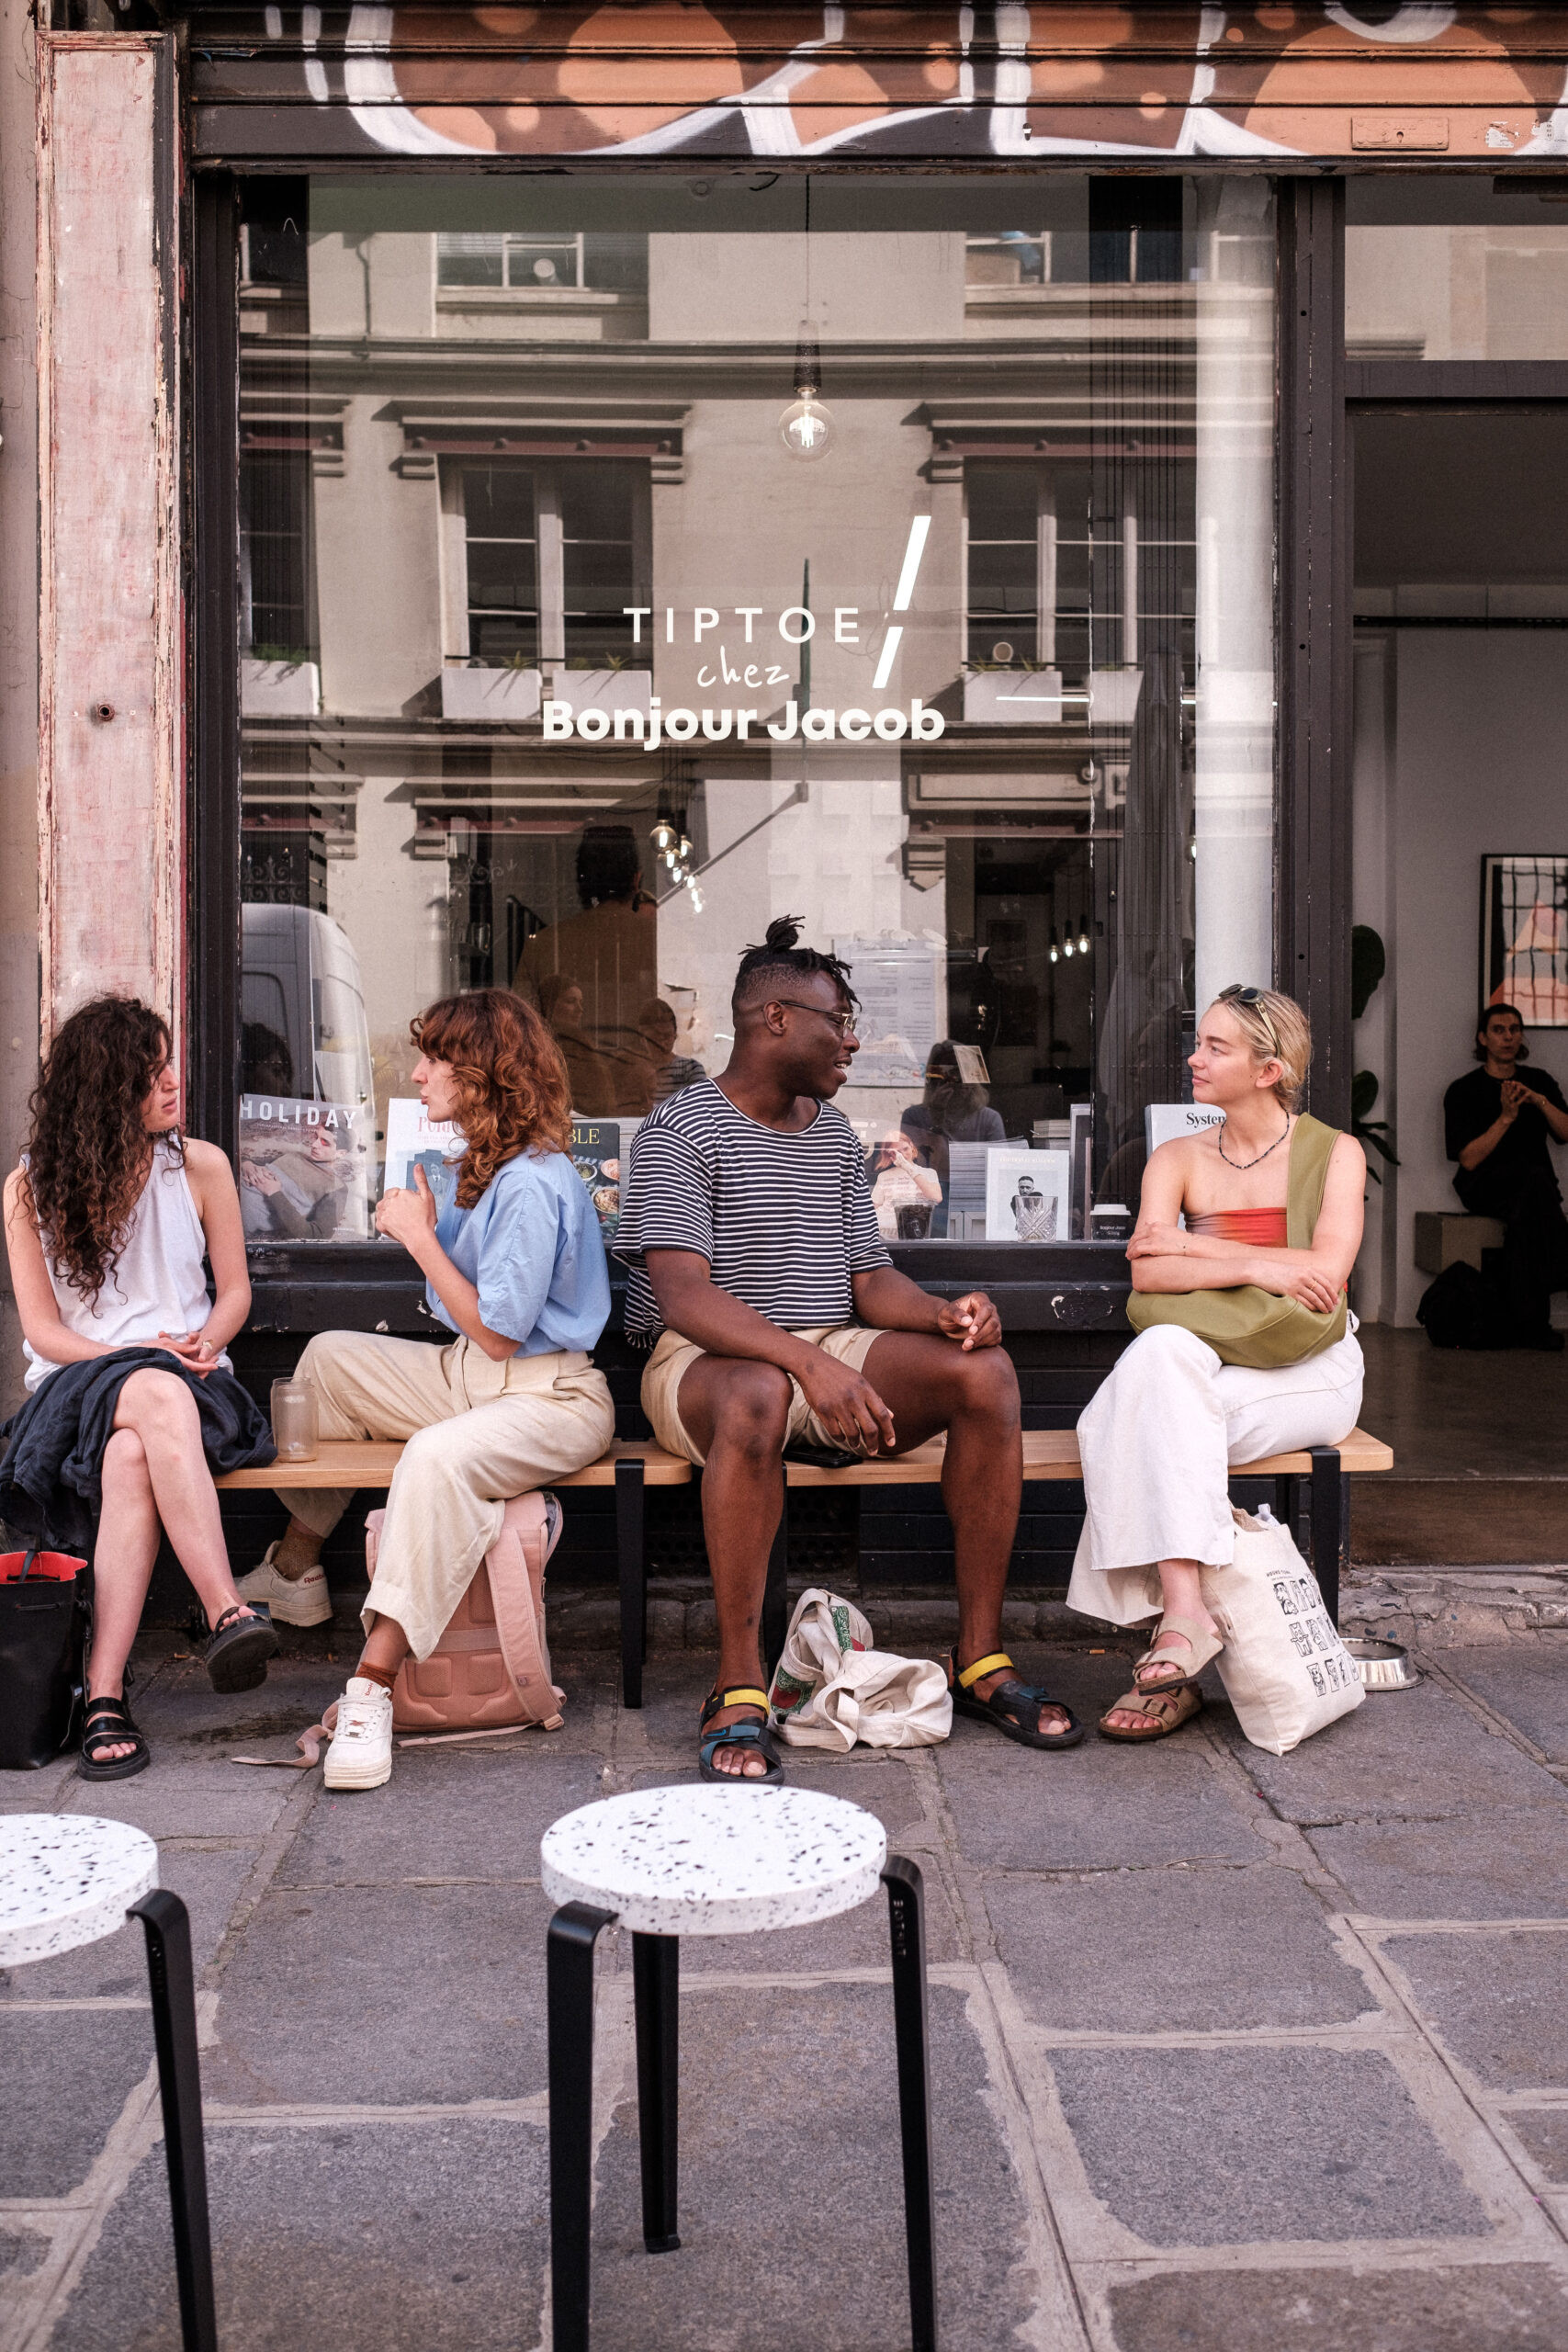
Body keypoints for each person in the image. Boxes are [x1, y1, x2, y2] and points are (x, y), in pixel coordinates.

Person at [615, 915, 1084, 1783]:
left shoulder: (831, 1134)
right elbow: (683, 1296)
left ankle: (980, 1659)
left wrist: (943, 1316)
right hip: (700, 1366)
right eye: (839, 1020)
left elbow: (868, 1281)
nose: (854, 1039)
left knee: (984, 1374)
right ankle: (738, 1685)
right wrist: (809, 1363)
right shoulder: (681, 1129)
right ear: (778, 1020)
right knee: (756, 1388)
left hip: (826, 1346)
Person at [239, 988, 615, 1792]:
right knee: (332, 1358)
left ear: (484, 1073)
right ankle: (297, 1570)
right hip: (470, 1379)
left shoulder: (531, 1182)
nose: (415, 1075)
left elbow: (500, 1331)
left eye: (435, 1059)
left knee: (437, 1459)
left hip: (548, 1396)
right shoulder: (482, 1167)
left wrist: (415, 1237)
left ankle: (371, 1689)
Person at [1067, 985, 1365, 1743]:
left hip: (1311, 1367)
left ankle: (1176, 1636)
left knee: (1125, 1421)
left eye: (1214, 1047)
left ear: (1268, 1070)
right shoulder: (1175, 1157)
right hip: (1208, 1364)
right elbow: (1146, 1273)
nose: (1193, 1058)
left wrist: (1195, 1248)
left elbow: (1323, 1279)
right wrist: (1264, 1265)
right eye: (1198, 1043)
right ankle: (1186, 1614)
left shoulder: (1333, 1153)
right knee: (1160, 1356)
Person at [1, 997, 277, 1781]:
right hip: (74, 1389)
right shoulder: (29, 1190)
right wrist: (130, 1352)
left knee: (133, 1455)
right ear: (104, 1087)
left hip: (194, 1384)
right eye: (150, 1070)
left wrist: (204, 1340)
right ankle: (226, 1609)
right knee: (148, 1395)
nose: (170, 1081)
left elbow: (232, 1294)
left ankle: (104, 1693)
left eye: (168, 1063)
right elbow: (46, 1333)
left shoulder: (203, 1165)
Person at [1443, 1003, 1568, 1351]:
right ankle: (1540, 1314)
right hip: (1484, 1185)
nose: (1508, 1036)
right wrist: (1506, 1118)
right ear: (1483, 1038)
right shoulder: (1463, 1090)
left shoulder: (1539, 1082)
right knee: (1534, 1190)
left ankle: (1524, 1325)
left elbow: (1566, 1131)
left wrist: (1540, 1102)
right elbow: (1468, 1160)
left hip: (1533, 1191)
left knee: (1526, 1216)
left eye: (1514, 1029)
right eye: (1499, 1029)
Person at [513, 825, 660, 1114]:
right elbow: (694, 1027)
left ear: (581, 882)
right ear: (636, 880)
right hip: (639, 1101)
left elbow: (520, 1032)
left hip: (560, 1099)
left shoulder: (543, 944)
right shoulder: (663, 940)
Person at [899, 1041, 1005, 1196]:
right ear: (935, 1080)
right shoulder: (914, 1116)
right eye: (950, 1075)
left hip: (975, 1196)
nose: (959, 1082)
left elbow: (999, 1171)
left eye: (964, 1074)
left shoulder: (988, 1119)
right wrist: (936, 1115)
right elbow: (913, 1166)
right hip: (928, 1196)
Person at [866, 1127, 942, 1242]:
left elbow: (936, 1198)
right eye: (898, 1152)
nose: (904, 1155)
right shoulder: (884, 1176)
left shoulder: (928, 1173)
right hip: (885, 1235)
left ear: (912, 1146)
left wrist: (907, 1167)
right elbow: (874, 1208)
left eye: (905, 1149)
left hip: (914, 1232)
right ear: (890, 1154)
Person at [634, 998, 706, 1102]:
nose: (661, 1043)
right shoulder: (634, 1072)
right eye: (655, 1037)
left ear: (675, 1035)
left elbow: (696, 1111)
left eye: (667, 1036)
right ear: (642, 1038)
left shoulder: (691, 1069)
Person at [1010, 1174, 1055, 1241]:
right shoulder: (1015, 1201)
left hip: (1039, 1236)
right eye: (1022, 1187)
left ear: (1032, 1189)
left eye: (1028, 1187)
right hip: (1022, 1236)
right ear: (1018, 1188)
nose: (1025, 1190)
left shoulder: (1038, 1199)